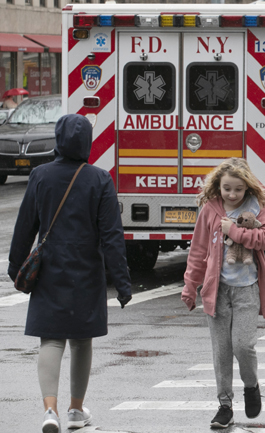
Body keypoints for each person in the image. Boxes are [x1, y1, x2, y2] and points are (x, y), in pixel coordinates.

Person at [7, 114, 132, 433]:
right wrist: (122, 281)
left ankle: (50, 410)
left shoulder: (40, 176)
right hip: (87, 270)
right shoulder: (100, 179)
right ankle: (76, 410)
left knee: (50, 339)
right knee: (81, 341)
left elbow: (25, 227)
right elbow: (112, 235)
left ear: (58, 139)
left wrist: (15, 268)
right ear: (87, 142)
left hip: (49, 269)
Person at [181, 157, 265, 428]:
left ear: (247, 188)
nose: (232, 194)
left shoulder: (257, 208)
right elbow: (198, 251)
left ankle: (251, 385)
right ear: (218, 186)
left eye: (238, 189)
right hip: (217, 292)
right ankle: (225, 405)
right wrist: (190, 287)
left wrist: (234, 231)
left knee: (243, 346)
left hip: (247, 291)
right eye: (227, 188)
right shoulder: (210, 210)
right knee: (222, 351)